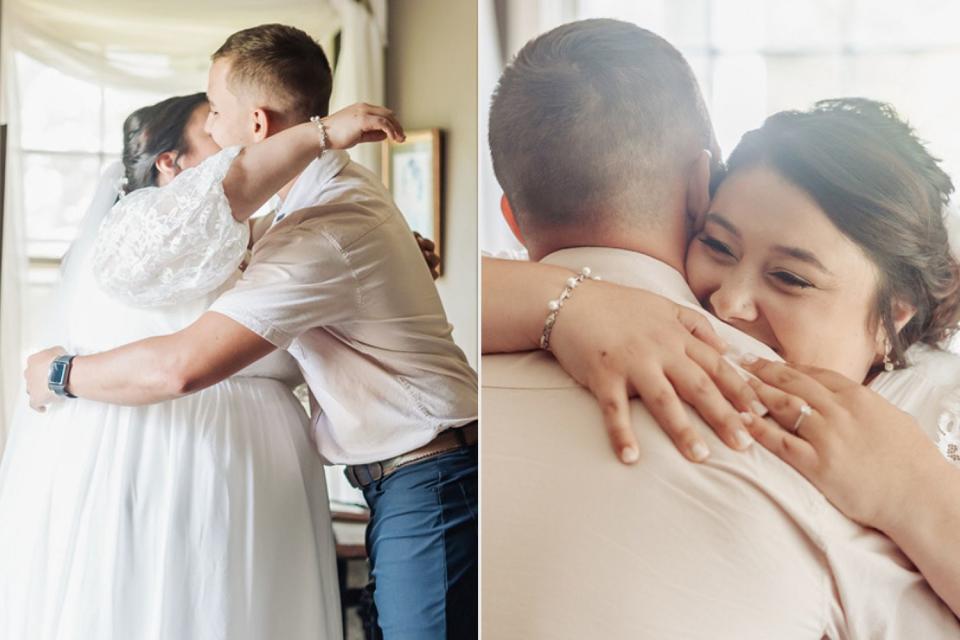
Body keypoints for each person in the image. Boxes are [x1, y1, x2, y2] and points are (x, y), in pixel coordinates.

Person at [481, 18, 960, 637]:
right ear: (699, 195)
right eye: (717, 243)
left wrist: (914, 494)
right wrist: (566, 304)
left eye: (791, 278)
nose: (729, 303)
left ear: (893, 315)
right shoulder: (618, 335)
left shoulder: (904, 442)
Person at [24, 24, 479, 639]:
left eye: (215, 110)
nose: (211, 127)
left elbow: (182, 366)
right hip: (411, 475)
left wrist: (58, 373)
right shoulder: (296, 215)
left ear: (258, 126)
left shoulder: (321, 227)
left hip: (429, 477)